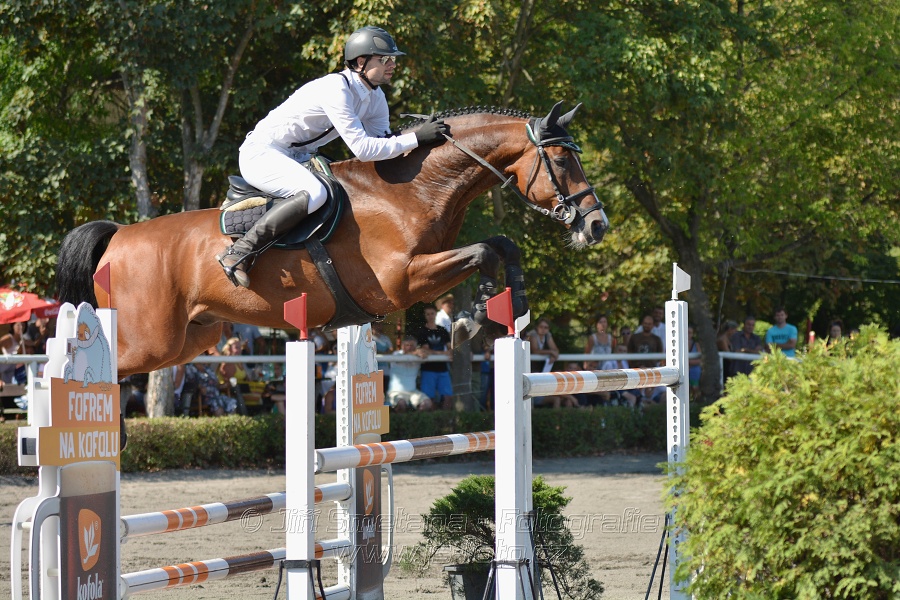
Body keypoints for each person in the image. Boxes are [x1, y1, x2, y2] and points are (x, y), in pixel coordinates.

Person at [218, 26, 450, 288]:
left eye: (392, 59)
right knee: (315, 193)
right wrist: (417, 137)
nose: (392, 64)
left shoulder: (376, 98)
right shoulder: (335, 88)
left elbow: (384, 145)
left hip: (298, 156)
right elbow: (363, 150)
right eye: (384, 59)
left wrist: (421, 142)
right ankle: (239, 252)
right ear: (361, 62)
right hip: (262, 153)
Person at [415, 306, 453, 409]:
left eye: (432, 313)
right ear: (425, 316)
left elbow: (450, 347)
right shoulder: (422, 331)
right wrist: (444, 353)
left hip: (443, 369)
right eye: (428, 314)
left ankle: (446, 420)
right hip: (428, 369)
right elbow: (425, 349)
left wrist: (448, 353)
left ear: (435, 314)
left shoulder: (442, 330)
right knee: (429, 398)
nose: (430, 316)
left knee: (448, 397)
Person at [385, 335, 433, 412]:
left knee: (427, 403)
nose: (409, 347)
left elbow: (427, 354)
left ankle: (416, 421)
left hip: (412, 391)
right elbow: (404, 357)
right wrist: (416, 353)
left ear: (416, 346)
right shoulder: (396, 354)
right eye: (407, 345)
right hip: (395, 392)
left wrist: (423, 352)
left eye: (412, 345)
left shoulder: (418, 356)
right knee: (401, 404)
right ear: (402, 346)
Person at [627, 315, 664, 403]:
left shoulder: (656, 339)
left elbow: (660, 356)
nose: (647, 325)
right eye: (645, 323)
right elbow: (629, 354)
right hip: (636, 372)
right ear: (642, 324)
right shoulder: (634, 337)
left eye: (649, 324)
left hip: (652, 372)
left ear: (653, 325)